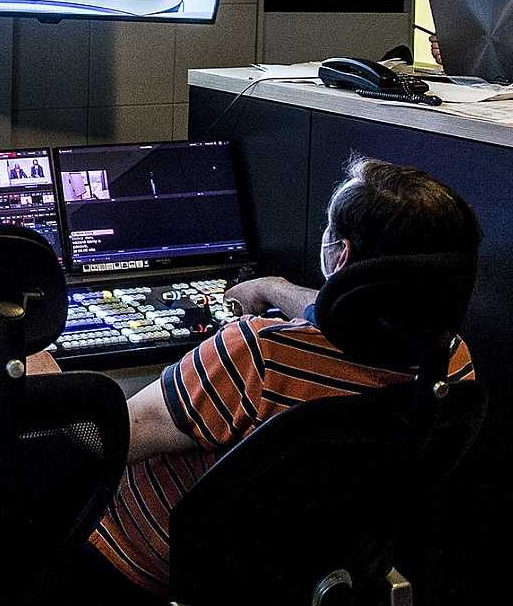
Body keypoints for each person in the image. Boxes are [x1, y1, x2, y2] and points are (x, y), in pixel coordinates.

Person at [38, 158, 481, 605]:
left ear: (341, 255)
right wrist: (273, 288)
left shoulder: (257, 356)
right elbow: (357, 314)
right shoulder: (451, 365)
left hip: (149, 567)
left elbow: (105, 439)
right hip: (309, 574)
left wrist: (38, 367)